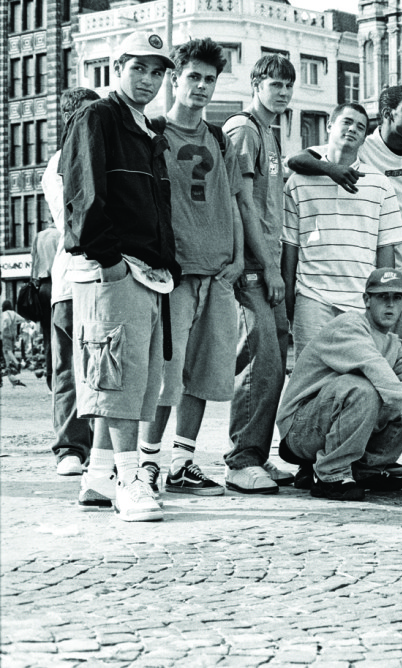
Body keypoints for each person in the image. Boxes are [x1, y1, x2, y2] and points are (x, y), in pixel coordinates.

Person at [60, 31, 180, 522]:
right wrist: (110, 263)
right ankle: (129, 480)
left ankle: (98, 477)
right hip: (115, 271)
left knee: (139, 380)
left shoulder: (145, 130)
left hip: (146, 274)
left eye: (157, 72)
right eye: (140, 68)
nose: (149, 80)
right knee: (116, 381)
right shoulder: (98, 116)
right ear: (116, 66)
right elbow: (83, 197)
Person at [136, 38, 245, 498]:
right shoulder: (152, 133)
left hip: (217, 273)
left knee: (204, 374)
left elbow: (234, 202)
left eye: (209, 79)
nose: (201, 86)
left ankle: (183, 462)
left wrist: (239, 259)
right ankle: (146, 462)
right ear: (174, 79)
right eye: (193, 77)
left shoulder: (218, 138)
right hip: (173, 277)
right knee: (165, 376)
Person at [275, 268, 402, 500]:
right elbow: (374, 366)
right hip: (299, 431)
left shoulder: (393, 344)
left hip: (328, 425)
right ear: (367, 300)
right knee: (364, 388)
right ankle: (330, 474)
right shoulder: (349, 325)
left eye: (397, 298)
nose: (390, 305)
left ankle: (365, 470)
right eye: (383, 297)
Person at [288, 85, 402, 347]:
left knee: (395, 353)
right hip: (333, 283)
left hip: (387, 269)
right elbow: (296, 160)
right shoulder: (363, 147)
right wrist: (331, 170)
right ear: (388, 114)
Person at [221, 53, 296, 494]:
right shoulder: (244, 129)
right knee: (258, 361)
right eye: (275, 84)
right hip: (252, 268)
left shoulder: (270, 131)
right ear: (256, 84)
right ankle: (240, 459)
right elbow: (243, 202)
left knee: (273, 363)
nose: (284, 91)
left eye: (288, 85)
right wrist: (267, 266)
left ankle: (257, 456)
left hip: (269, 265)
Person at [41, 86, 101, 478]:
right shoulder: (61, 161)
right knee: (68, 368)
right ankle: (70, 447)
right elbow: (77, 220)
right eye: (88, 115)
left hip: (102, 277)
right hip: (72, 277)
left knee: (98, 365)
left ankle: (99, 447)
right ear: (71, 119)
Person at [30, 221, 59, 388]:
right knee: (63, 333)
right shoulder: (61, 234)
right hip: (59, 285)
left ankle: (50, 379)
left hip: (42, 287)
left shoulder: (39, 236)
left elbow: (33, 265)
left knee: (48, 336)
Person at [1, 301, 26, 374]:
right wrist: (15, 322)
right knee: (5, 350)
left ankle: (16, 363)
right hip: (13, 333)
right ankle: (8, 366)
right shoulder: (13, 313)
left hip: (6, 332)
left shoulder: (4, 313)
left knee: (7, 350)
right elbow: (22, 319)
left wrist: (5, 325)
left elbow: (5, 319)